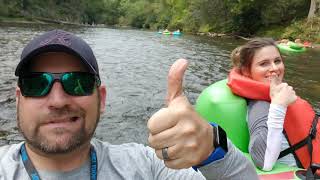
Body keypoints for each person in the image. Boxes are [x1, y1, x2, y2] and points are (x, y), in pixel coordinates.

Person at [0, 29, 258, 180]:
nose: (57, 101)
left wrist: (211, 146)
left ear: (101, 99)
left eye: (77, 83)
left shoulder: (148, 167)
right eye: (36, 84)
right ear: (19, 99)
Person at [228, 38, 319, 174]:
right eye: (264, 64)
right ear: (247, 71)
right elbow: (263, 162)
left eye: (277, 61)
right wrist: (279, 105)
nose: (275, 68)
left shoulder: (278, 93)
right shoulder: (260, 106)